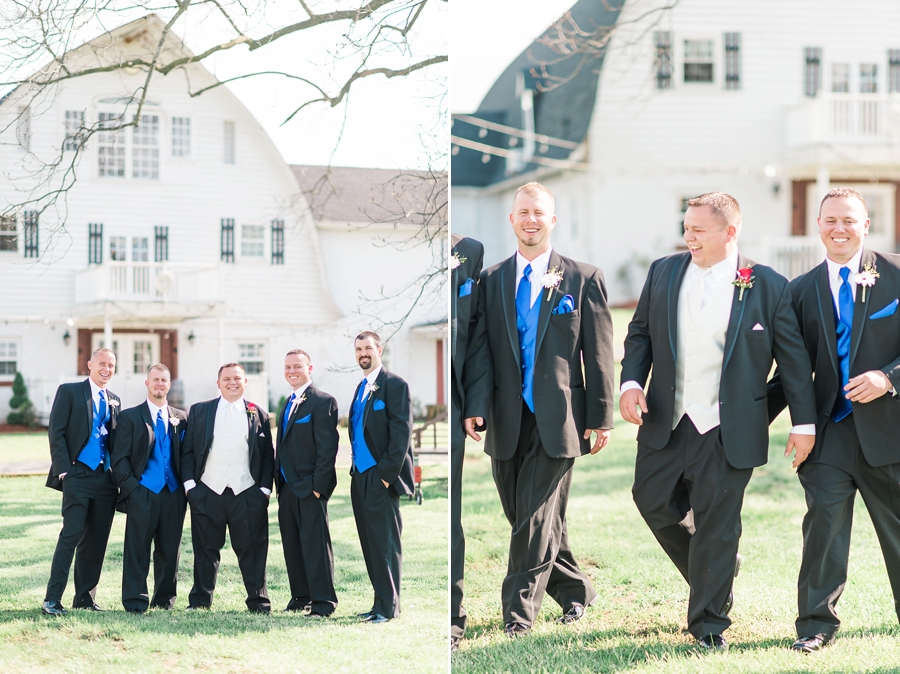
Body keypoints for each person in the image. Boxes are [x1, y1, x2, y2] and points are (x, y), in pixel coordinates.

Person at [620, 191, 817, 650]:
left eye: (698, 230)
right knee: (650, 499)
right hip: (668, 417)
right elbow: (640, 333)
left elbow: (791, 362)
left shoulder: (767, 285)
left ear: (730, 232)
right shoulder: (663, 272)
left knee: (717, 524)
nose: (688, 237)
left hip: (730, 428)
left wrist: (802, 424)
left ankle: (708, 625)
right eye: (686, 228)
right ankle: (718, 566)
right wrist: (631, 382)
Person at [767, 187, 900, 653]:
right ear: (817, 226)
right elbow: (792, 370)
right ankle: (815, 627)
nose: (839, 228)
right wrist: (748, 420)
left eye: (849, 220)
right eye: (830, 221)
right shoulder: (799, 290)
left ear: (866, 225)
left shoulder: (898, 274)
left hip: (891, 432)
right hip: (829, 434)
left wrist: (888, 378)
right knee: (822, 529)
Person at [480, 181, 615, 637]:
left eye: (539, 212)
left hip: (560, 419)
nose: (531, 220)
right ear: (512, 219)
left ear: (552, 220)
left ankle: (518, 613)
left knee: (535, 517)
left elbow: (597, 354)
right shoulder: (491, 280)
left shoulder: (583, 278)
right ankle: (576, 589)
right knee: (526, 515)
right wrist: (475, 407)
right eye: (523, 212)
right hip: (505, 417)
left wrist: (600, 417)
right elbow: (482, 352)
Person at [181, 363, 274, 612]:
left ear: (245, 382)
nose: (232, 382)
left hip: (247, 492)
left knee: (252, 550)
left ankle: (258, 601)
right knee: (205, 549)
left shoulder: (259, 414)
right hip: (208, 491)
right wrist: (191, 487)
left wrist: (263, 490)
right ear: (218, 383)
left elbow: (267, 456)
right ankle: (200, 601)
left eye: (237, 378)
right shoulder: (200, 411)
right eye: (227, 378)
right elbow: (187, 450)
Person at [43, 347, 121, 616]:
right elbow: (57, 432)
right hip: (77, 475)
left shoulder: (115, 400)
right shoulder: (70, 391)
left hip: (105, 478)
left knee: (97, 540)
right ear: (89, 364)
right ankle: (52, 599)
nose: (106, 369)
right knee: (71, 535)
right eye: (102, 363)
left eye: (111, 365)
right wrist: (64, 470)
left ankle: (85, 598)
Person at [348, 331, 415, 623]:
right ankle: (379, 603)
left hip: (380, 478)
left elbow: (401, 436)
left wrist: (385, 477)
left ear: (380, 349)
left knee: (386, 544)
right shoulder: (361, 388)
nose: (363, 353)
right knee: (370, 543)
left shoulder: (395, 385)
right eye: (358, 348)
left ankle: (389, 609)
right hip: (359, 476)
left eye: (368, 348)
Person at [111, 363, 188, 613]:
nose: (159, 384)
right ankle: (135, 600)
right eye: (155, 380)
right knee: (137, 549)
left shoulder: (181, 417)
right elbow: (119, 458)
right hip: (142, 492)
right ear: (147, 383)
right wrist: (132, 489)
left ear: (169, 384)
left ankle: (164, 600)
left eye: (164, 380)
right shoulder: (130, 416)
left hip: (174, 494)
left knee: (169, 550)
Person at [275, 349, 340, 617]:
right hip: (287, 488)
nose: (292, 371)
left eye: (297, 366)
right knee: (292, 544)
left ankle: (323, 601)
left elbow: (328, 450)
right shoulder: (286, 404)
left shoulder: (323, 401)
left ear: (309, 369)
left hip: (310, 487)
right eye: (288, 366)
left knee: (315, 546)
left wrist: (318, 486)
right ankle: (301, 596)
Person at [450, 233, 491, 652]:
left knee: (451, 519)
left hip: (458, 406)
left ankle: (452, 620)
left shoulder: (469, 253)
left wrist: (473, 404)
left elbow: (477, 339)